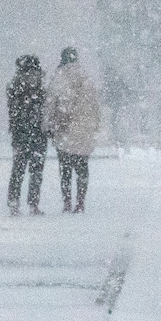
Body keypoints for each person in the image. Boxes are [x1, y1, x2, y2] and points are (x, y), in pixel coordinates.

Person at [44, 47, 101, 213]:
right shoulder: (86, 78)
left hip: (64, 130)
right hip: (84, 129)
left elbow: (50, 104)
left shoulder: (58, 78)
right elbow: (95, 106)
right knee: (82, 168)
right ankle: (80, 202)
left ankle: (67, 201)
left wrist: (48, 125)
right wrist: (95, 125)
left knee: (65, 168)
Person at [6, 54, 47, 216]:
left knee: (21, 170)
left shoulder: (15, 89)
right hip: (32, 135)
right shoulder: (32, 90)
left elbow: (15, 114)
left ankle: (17, 202)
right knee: (30, 170)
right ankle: (30, 203)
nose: (32, 77)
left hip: (25, 135)